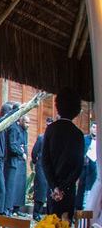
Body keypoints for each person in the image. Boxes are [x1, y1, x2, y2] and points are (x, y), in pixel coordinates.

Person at [40, 89, 86, 219]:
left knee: (50, 226)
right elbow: (78, 167)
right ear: (76, 110)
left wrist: (54, 187)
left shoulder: (50, 130)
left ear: (58, 106)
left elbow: (45, 161)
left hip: (52, 188)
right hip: (68, 190)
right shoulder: (78, 134)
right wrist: (63, 188)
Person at [5, 111, 28, 215]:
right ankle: (10, 208)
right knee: (14, 185)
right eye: (26, 123)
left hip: (22, 162)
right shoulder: (15, 129)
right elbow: (15, 145)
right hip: (16, 160)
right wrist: (21, 152)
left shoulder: (25, 133)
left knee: (20, 186)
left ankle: (16, 209)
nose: (28, 125)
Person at [31, 117, 51, 218]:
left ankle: (48, 213)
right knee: (41, 189)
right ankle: (36, 213)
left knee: (49, 190)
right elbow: (34, 152)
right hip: (41, 166)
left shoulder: (54, 140)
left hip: (50, 168)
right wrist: (36, 162)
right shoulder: (41, 138)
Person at [78, 120, 97, 212]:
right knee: (81, 188)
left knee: (92, 189)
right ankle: (78, 210)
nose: (95, 130)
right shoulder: (85, 138)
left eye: (97, 128)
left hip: (95, 169)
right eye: (93, 127)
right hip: (84, 168)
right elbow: (80, 151)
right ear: (90, 128)